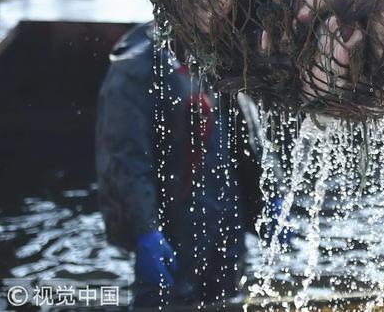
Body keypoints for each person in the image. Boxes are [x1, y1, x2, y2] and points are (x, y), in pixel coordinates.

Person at [95, 22, 284, 307]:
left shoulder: (224, 54)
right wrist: (144, 230)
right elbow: (125, 158)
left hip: (225, 226)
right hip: (172, 233)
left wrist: (269, 196)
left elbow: (248, 135)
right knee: (165, 300)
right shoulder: (135, 67)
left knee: (229, 298)